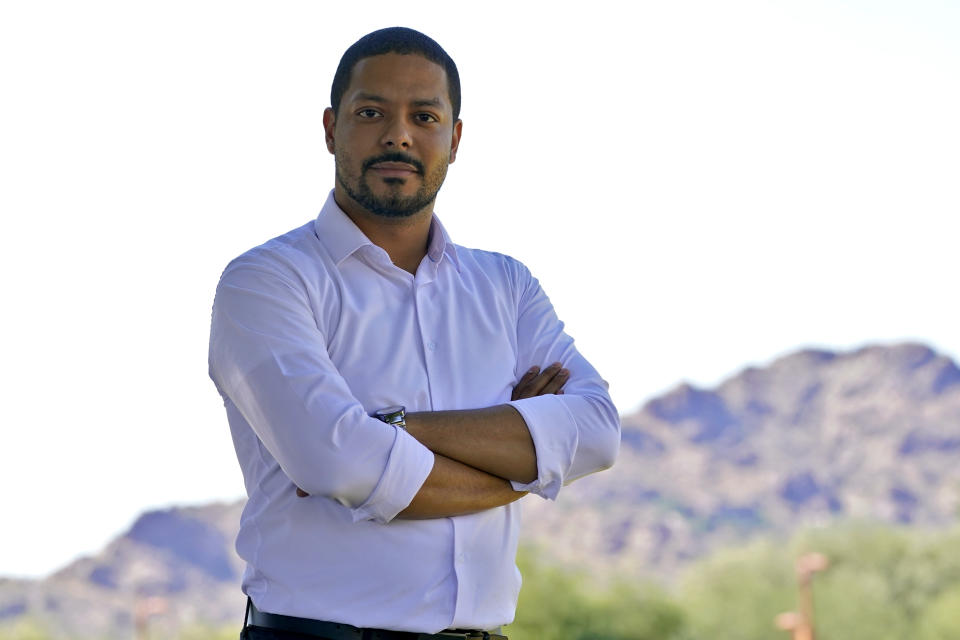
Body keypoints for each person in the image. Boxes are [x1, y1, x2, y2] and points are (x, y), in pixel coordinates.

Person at [208, 26, 620, 640]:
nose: (398, 134)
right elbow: (339, 464)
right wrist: (525, 458)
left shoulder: (506, 286)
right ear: (330, 128)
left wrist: (388, 428)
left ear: (454, 140)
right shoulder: (266, 282)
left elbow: (596, 433)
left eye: (423, 116)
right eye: (371, 112)